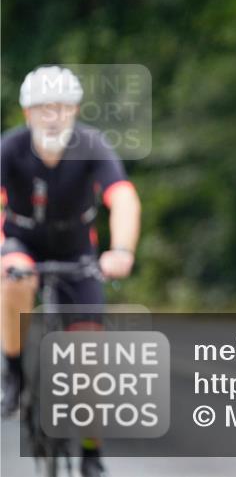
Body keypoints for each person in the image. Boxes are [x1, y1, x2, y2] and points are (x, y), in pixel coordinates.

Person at [1, 66, 141, 477]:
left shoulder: (93, 146)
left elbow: (124, 200)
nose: (53, 116)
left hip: (78, 251)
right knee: (16, 277)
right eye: (43, 108)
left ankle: (91, 452)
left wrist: (121, 250)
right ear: (27, 113)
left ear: (75, 111)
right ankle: (13, 370)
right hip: (20, 243)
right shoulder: (10, 149)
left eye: (61, 107)